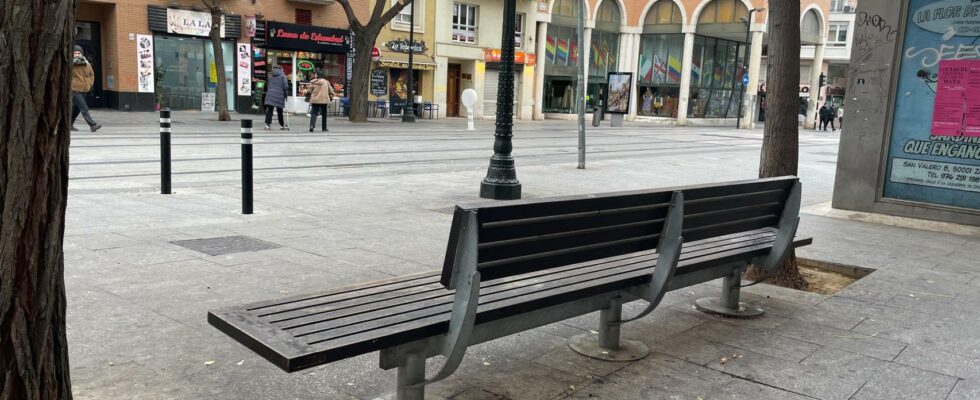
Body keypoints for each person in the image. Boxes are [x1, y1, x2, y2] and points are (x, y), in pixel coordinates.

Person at [71, 45, 102, 132]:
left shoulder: (86, 64)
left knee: (76, 109)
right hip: (74, 89)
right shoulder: (69, 63)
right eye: (75, 53)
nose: (77, 54)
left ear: (81, 54)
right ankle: (93, 125)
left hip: (84, 89)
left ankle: (69, 125)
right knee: (84, 107)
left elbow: (91, 74)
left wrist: (90, 84)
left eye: (79, 53)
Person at [264, 65, 289, 130]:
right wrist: (286, 95)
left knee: (269, 110)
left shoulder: (271, 77)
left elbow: (268, 86)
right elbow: (285, 87)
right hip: (279, 96)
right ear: (281, 69)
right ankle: (282, 124)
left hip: (270, 95)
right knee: (279, 110)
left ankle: (267, 124)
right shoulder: (283, 77)